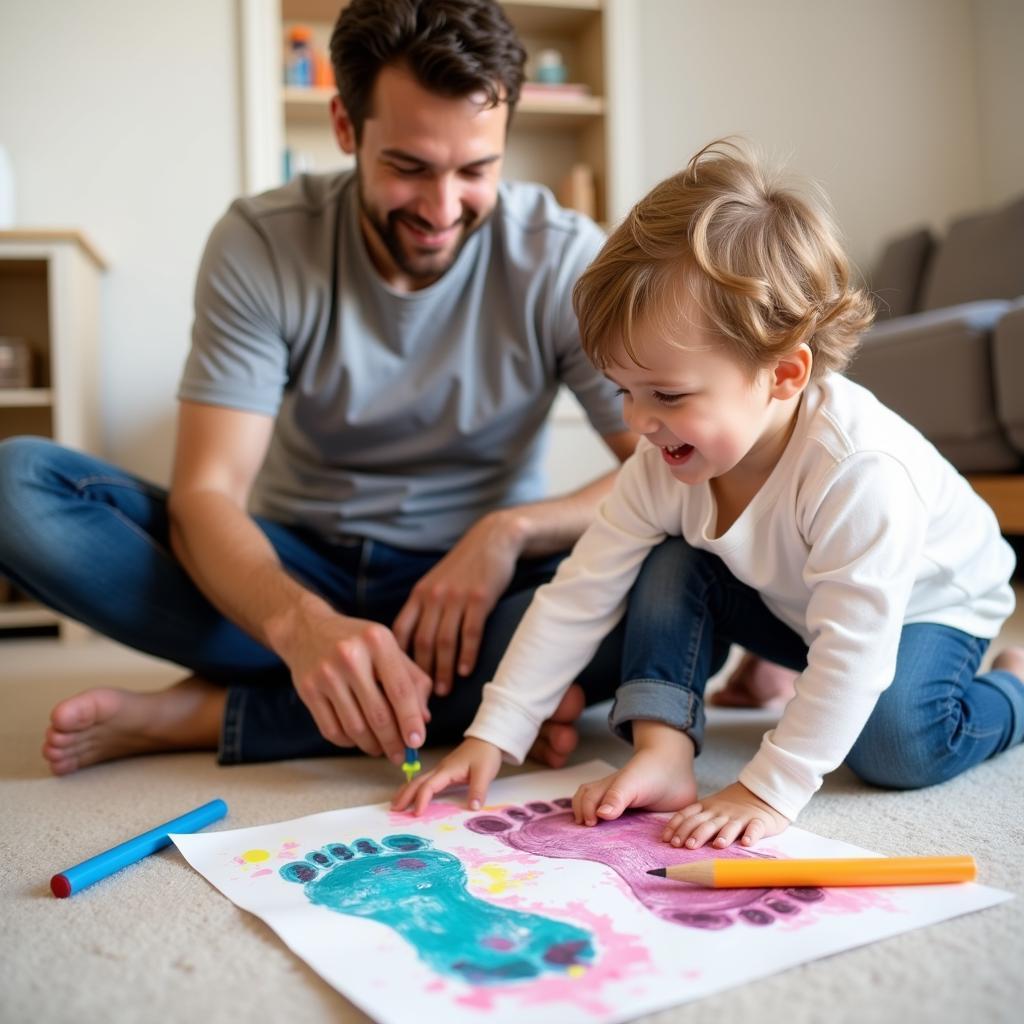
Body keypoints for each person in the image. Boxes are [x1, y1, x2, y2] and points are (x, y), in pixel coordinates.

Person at [0, 0, 641, 774]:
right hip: (297, 564)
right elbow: (206, 493)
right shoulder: (262, 241)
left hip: (479, 592)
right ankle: (477, 703)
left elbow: (660, 465)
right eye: (408, 166)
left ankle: (211, 715)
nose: (443, 210)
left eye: (475, 171)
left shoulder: (563, 256)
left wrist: (508, 532)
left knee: (676, 597)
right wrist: (301, 626)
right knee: (17, 487)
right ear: (346, 127)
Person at [394, 139, 1024, 849]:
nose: (637, 421)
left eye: (666, 394)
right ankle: (664, 750)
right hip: (807, 602)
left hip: (927, 609)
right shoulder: (664, 460)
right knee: (667, 564)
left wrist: (767, 787)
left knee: (895, 744)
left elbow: (855, 652)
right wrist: (493, 735)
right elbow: (579, 595)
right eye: (623, 391)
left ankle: (1013, 685)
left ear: (785, 375)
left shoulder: (859, 474)